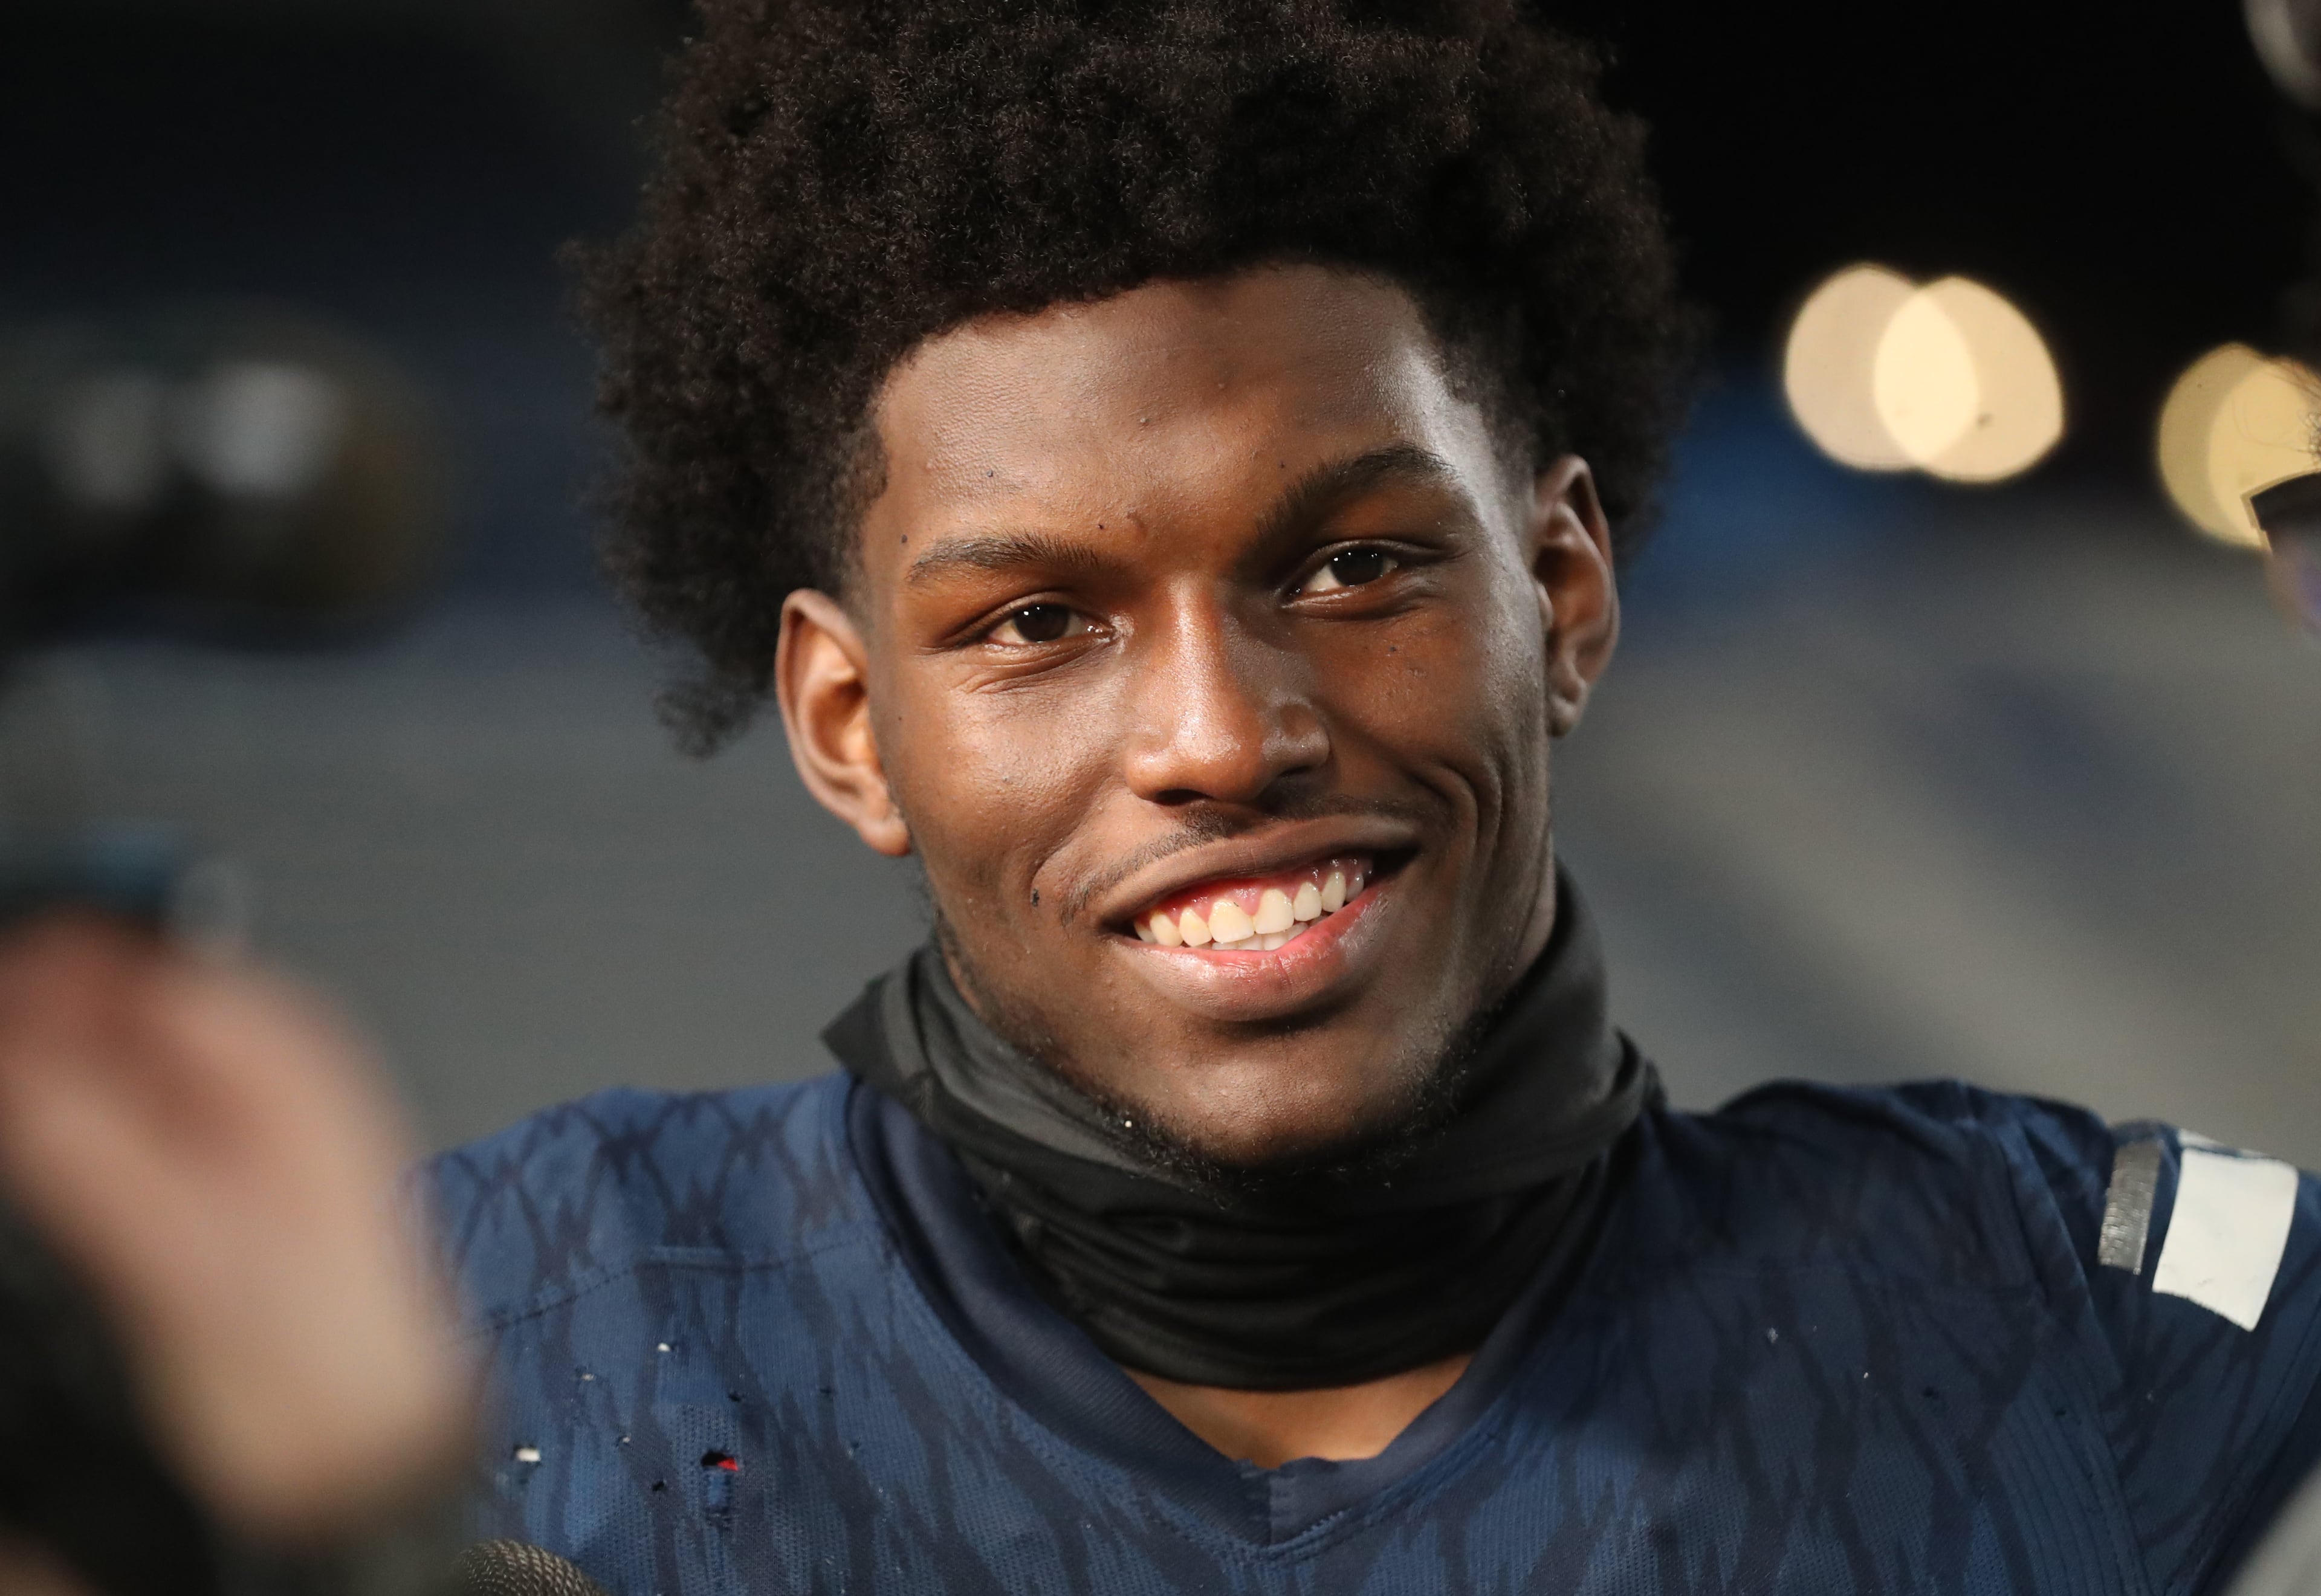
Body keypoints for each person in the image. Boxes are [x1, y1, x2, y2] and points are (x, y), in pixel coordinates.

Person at [6, 2, 2319, 1592]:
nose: (1219, 732)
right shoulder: (491, 1322)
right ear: (846, 724)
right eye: (1037, 620)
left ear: (1566, 590)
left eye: (1355, 564)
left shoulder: (2075, 1292)